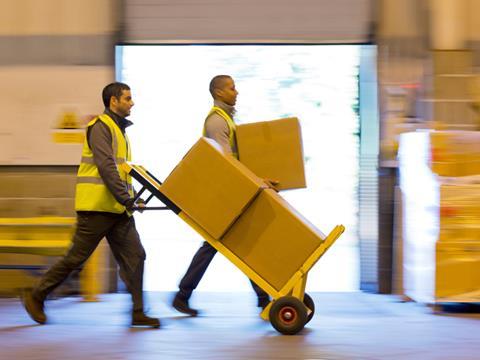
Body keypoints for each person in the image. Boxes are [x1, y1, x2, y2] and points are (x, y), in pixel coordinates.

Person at [22, 82, 160, 328]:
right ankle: (36, 295)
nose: (132, 102)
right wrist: (125, 198)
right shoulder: (100, 127)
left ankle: (138, 311)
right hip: (96, 208)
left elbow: (121, 170)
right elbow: (106, 168)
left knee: (136, 256)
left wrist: (132, 197)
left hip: (118, 210)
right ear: (113, 101)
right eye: (128, 98)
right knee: (76, 258)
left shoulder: (120, 131)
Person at [172, 75, 276, 316]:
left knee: (225, 245)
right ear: (219, 93)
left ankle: (262, 297)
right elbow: (227, 163)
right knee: (229, 245)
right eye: (231, 88)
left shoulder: (227, 120)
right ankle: (262, 297)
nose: (236, 92)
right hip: (223, 197)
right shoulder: (218, 122)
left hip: (228, 194)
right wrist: (258, 182)